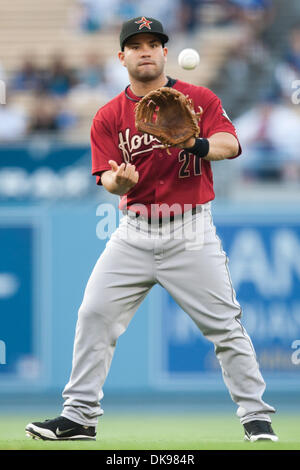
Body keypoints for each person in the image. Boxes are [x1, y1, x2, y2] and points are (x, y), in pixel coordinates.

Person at [25, 16, 278, 443]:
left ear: (165, 52)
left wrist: (194, 143)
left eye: (153, 43)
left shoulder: (199, 98)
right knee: (94, 315)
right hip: (134, 230)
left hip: (191, 229)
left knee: (225, 326)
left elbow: (231, 144)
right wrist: (117, 182)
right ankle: (80, 416)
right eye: (136, 44)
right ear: (121, 56)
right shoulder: (108, 115)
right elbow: (105, 176)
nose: (145, 50)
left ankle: (257, 417)